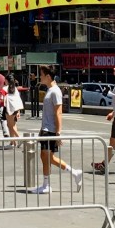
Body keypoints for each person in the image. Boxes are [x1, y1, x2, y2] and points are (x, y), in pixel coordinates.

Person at [32, 66, 81, 194]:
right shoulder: (50, 90)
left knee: (47, 157)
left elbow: (58, 113)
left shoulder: (55, 91)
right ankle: (73, 173)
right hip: (46, 129)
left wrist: (58, 133)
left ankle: (47, 184)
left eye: (41, 75)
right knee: (47, 157)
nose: (40, 77)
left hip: (50, 130)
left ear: (48, 76)